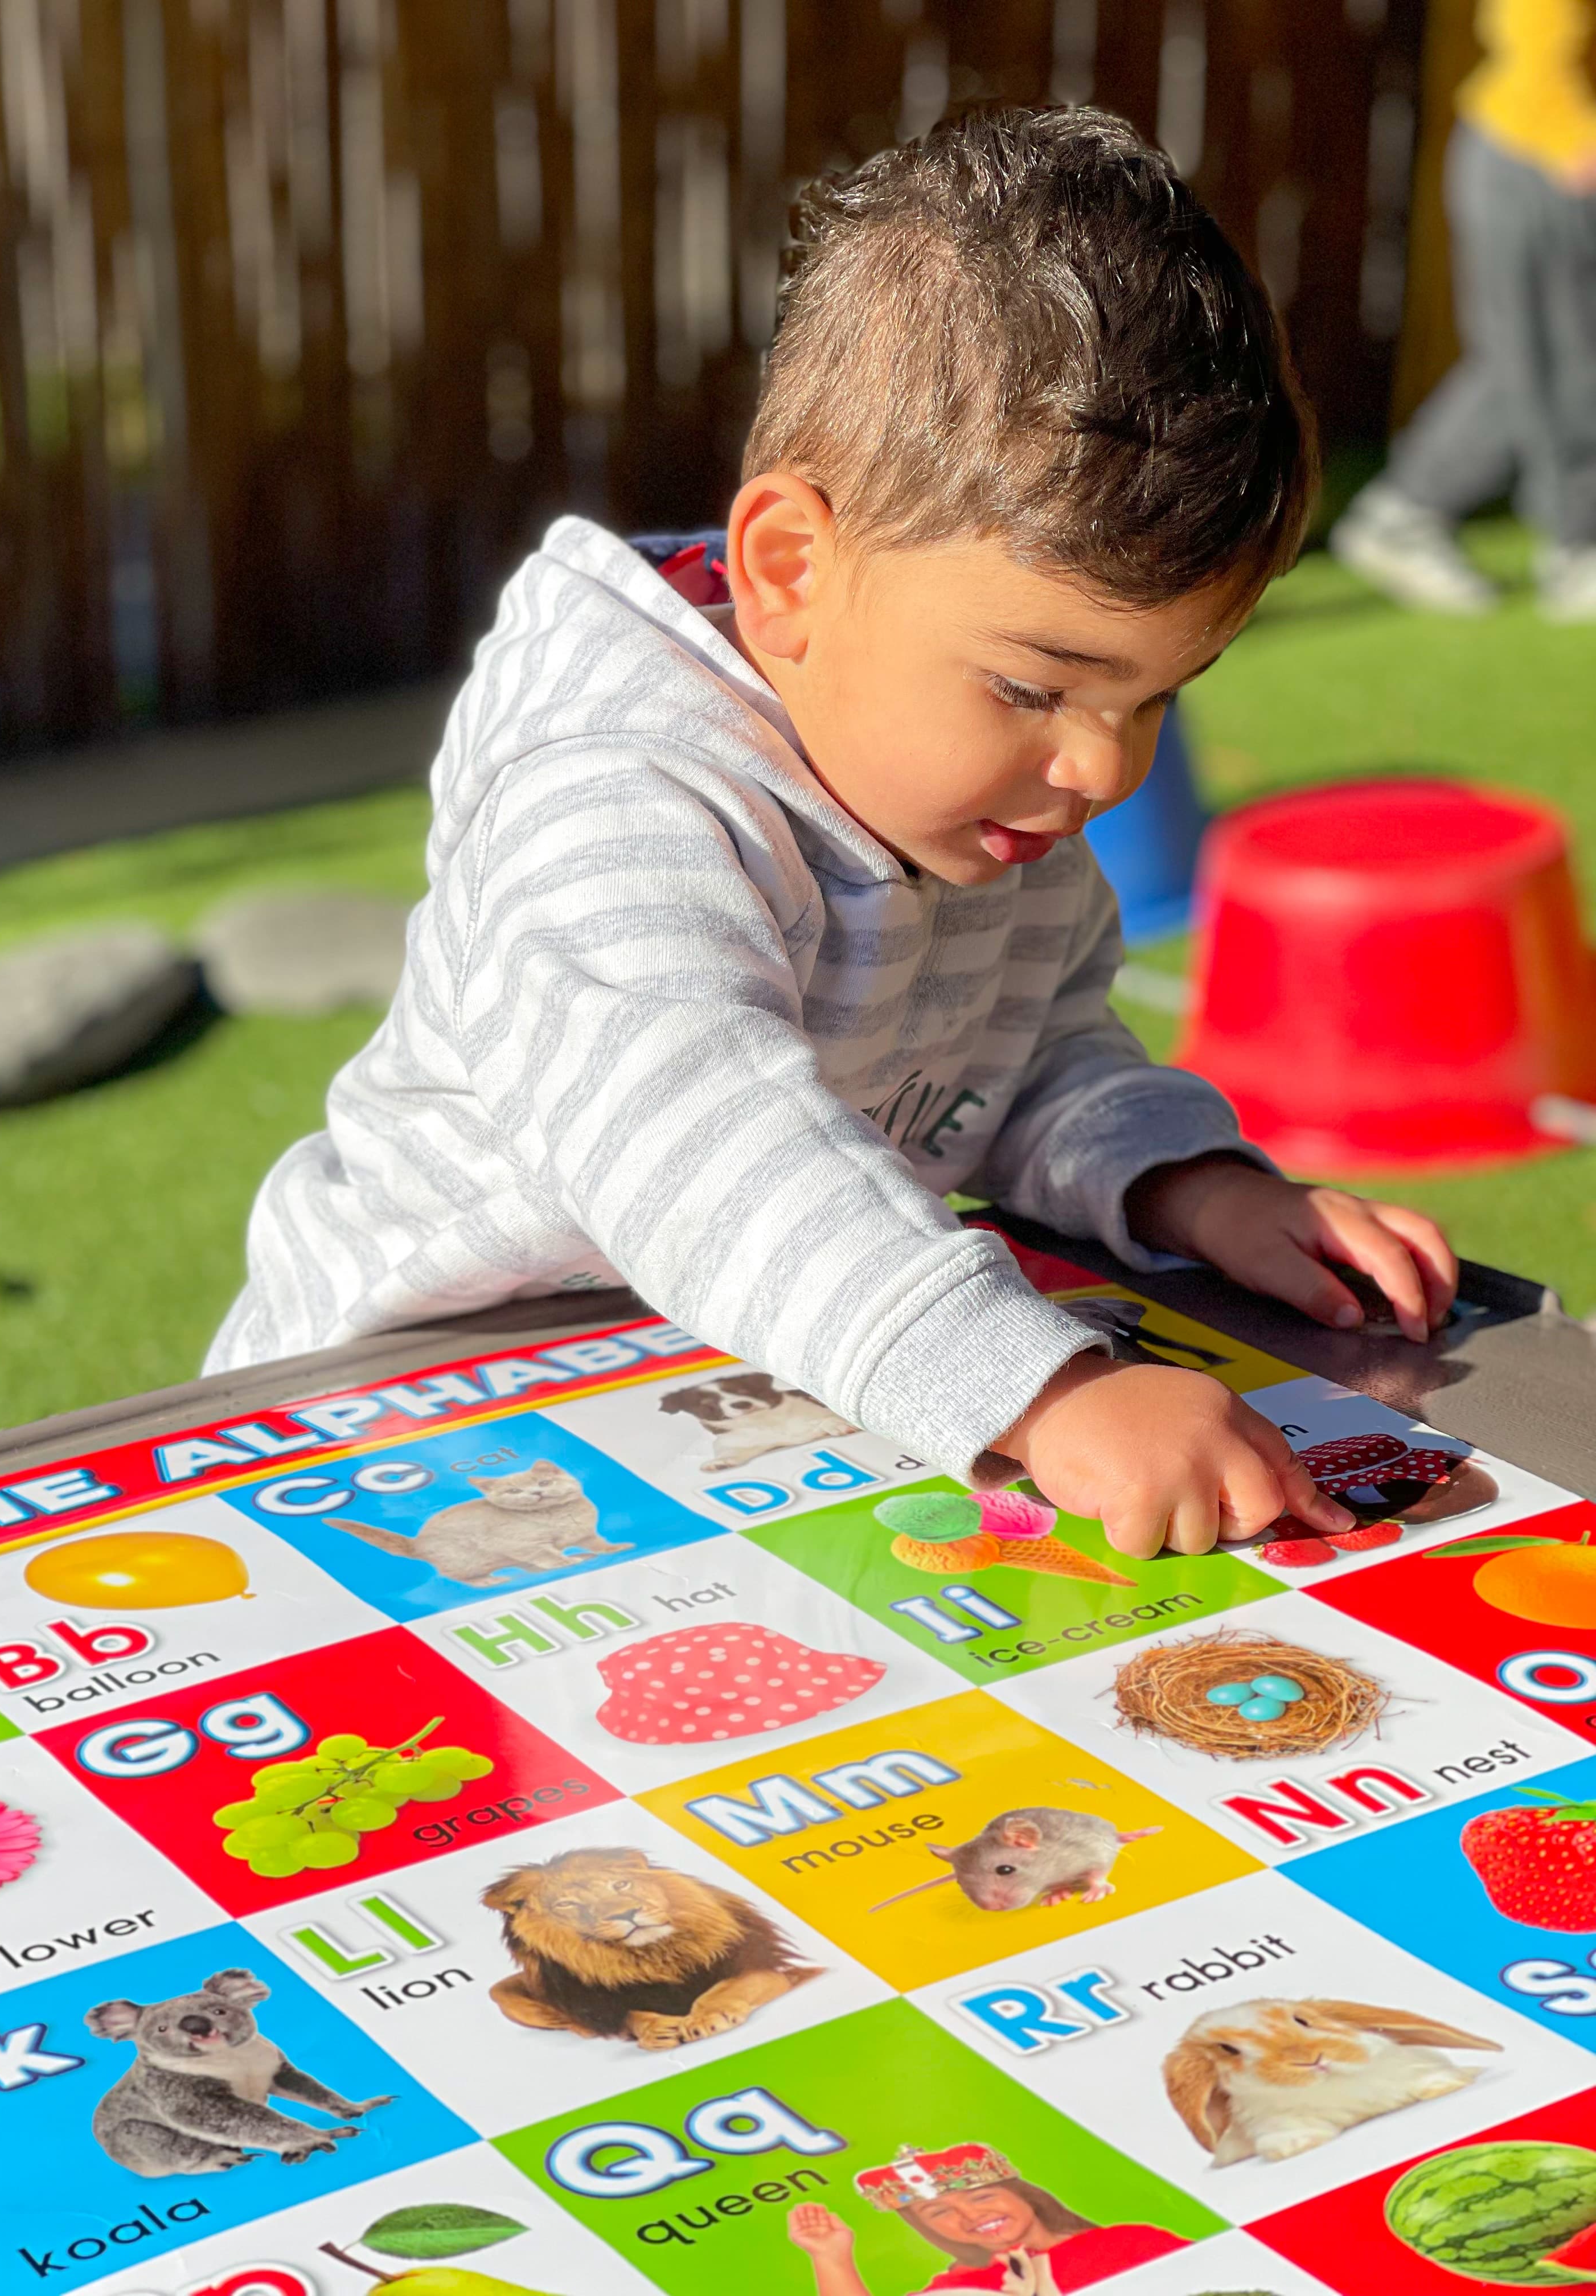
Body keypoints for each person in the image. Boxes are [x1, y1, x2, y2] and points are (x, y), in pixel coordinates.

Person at [208, 106, 1458, 1562]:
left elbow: (1028, 1056)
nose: (1100, 764)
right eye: (1033, 684)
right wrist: (1049, 1391)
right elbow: (698, 1142)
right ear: (789, 571)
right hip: (383, 1431)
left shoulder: (982, 802)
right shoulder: (618, 796)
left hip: (742, 1394)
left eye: (1158, 694)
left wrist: (1190, 1184)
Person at [1331, 0, 1596, 618]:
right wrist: (1573, 137)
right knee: (1556, 356)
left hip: (1532, 151)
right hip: (1538, 153)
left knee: (1531, 357)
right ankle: (1576, 549)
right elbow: (1535, 31)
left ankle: (1405, 514)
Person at [786, 2142, 1189, 2293]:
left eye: (982, 2196)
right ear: (927, 2228)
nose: (970, 2215)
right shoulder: (959, 2290)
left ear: (1022, 2194)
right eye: (940, 2211)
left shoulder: (1129, 2243)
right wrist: (831, 2257)